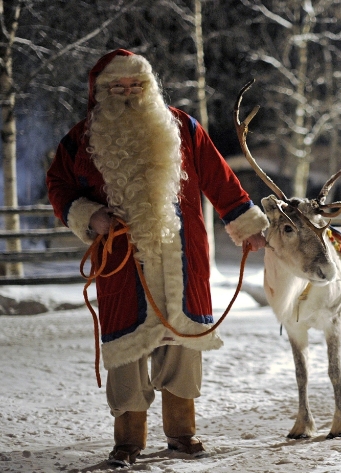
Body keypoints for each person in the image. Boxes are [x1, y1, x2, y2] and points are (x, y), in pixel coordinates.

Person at [46, 49, 268, 466]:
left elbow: (220, 177)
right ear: (101, 92)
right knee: (126, 350)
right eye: (118, 87)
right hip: (119, 259)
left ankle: (182, 434)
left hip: (182, 258)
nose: (128, 93)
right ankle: (128, 441)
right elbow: (58, 186)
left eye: (136, 85)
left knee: (183, 343)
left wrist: (247, 224)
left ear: (149, 86)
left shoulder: (182, 126)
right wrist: (89, 214)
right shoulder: (80, 139)